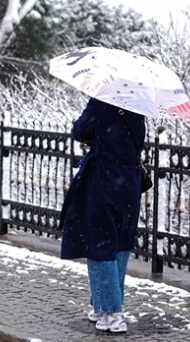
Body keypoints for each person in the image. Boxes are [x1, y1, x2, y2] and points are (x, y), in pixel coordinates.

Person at [59, 97, 146, 334]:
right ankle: (101, 307)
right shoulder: (139, 106)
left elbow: (79, 130)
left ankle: (111, 312)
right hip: (130, 182)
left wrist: (88, 132)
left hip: (104, 180)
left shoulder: (101, 102)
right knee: (120, 244)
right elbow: (128, 141)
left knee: (100, 243)